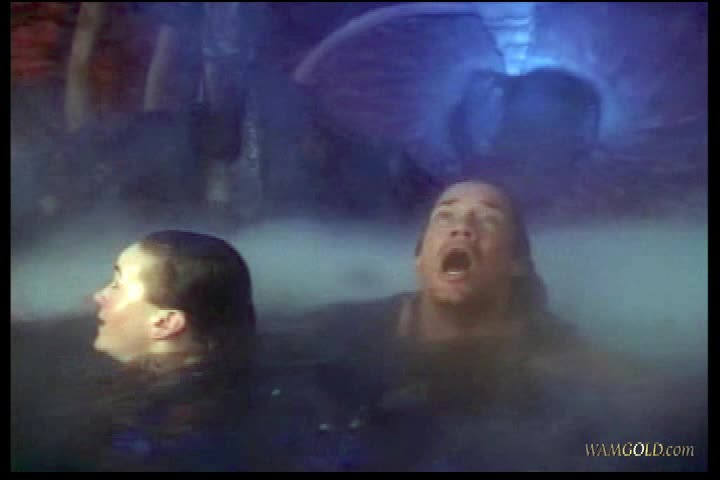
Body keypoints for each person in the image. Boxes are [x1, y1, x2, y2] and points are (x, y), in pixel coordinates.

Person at [299, 180, 706, 471]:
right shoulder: (352, 326)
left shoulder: (546, 353)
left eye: (488, 220)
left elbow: (669, 417)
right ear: (419, 259)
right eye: (445, 216)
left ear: (516, 264)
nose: (462, 227)